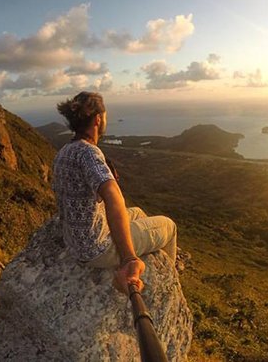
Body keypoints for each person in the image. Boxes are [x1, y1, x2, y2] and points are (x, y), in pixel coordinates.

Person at [52, 91, 177, 293]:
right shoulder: (89, 152)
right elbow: (113, 196)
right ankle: (168, 285)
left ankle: (149, 255)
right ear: (98, 119)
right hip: (96, 249)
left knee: (136, 211)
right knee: (169, 227)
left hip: (76, 242)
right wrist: (128, 257)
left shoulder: (64, 152)